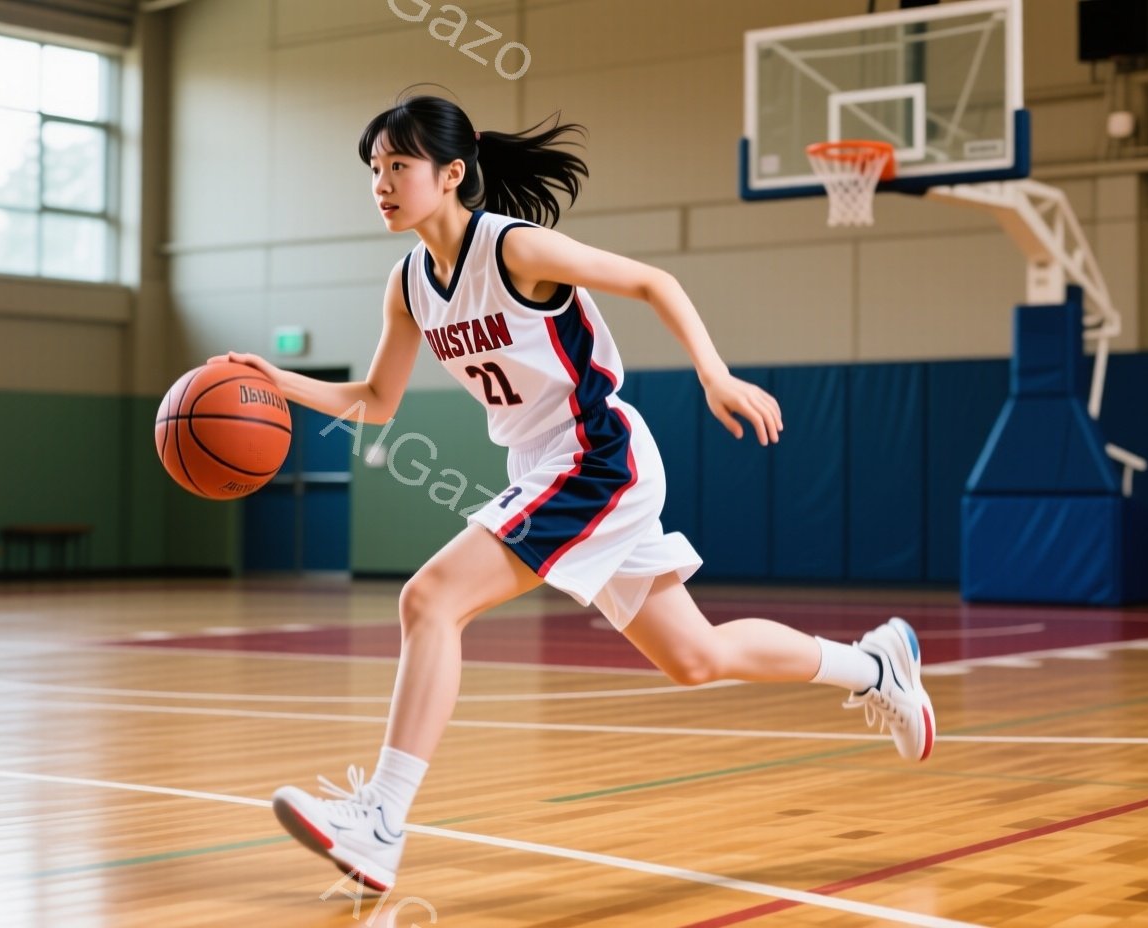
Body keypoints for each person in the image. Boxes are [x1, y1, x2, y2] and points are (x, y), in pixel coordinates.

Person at [208, 93, 935, 892]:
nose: (381, 183)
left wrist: (714, 371)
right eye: (374, 169)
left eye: (399, 166)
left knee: (429, 600)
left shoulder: (513, 249)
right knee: (696, 657)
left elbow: (652, 281)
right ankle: (875, 668)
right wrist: (276, 381)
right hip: (546, 470)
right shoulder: (410, 283)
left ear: (452, 173)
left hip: (597, 459)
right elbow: (376, 402)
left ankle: (381, 820)